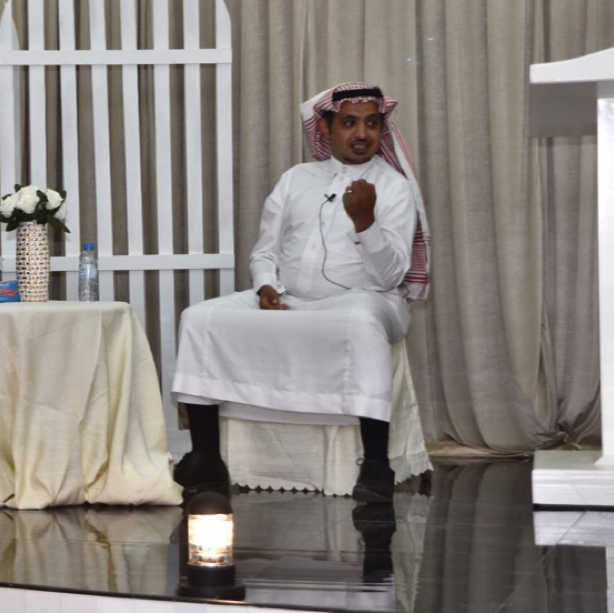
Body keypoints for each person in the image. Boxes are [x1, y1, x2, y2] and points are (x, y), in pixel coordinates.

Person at [171, 82, 431, 502]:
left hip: (366, 298)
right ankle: (206, 456)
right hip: (291, 297)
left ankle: (376, 465)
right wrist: (266, 285)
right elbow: (265, 251)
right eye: (349, 123)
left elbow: (391, 277)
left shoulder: (393, 187)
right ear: (325, 128)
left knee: (360, 321)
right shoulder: (296, 179)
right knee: (199, 318)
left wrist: (365, 221)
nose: (362, 134)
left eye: (371, 124)